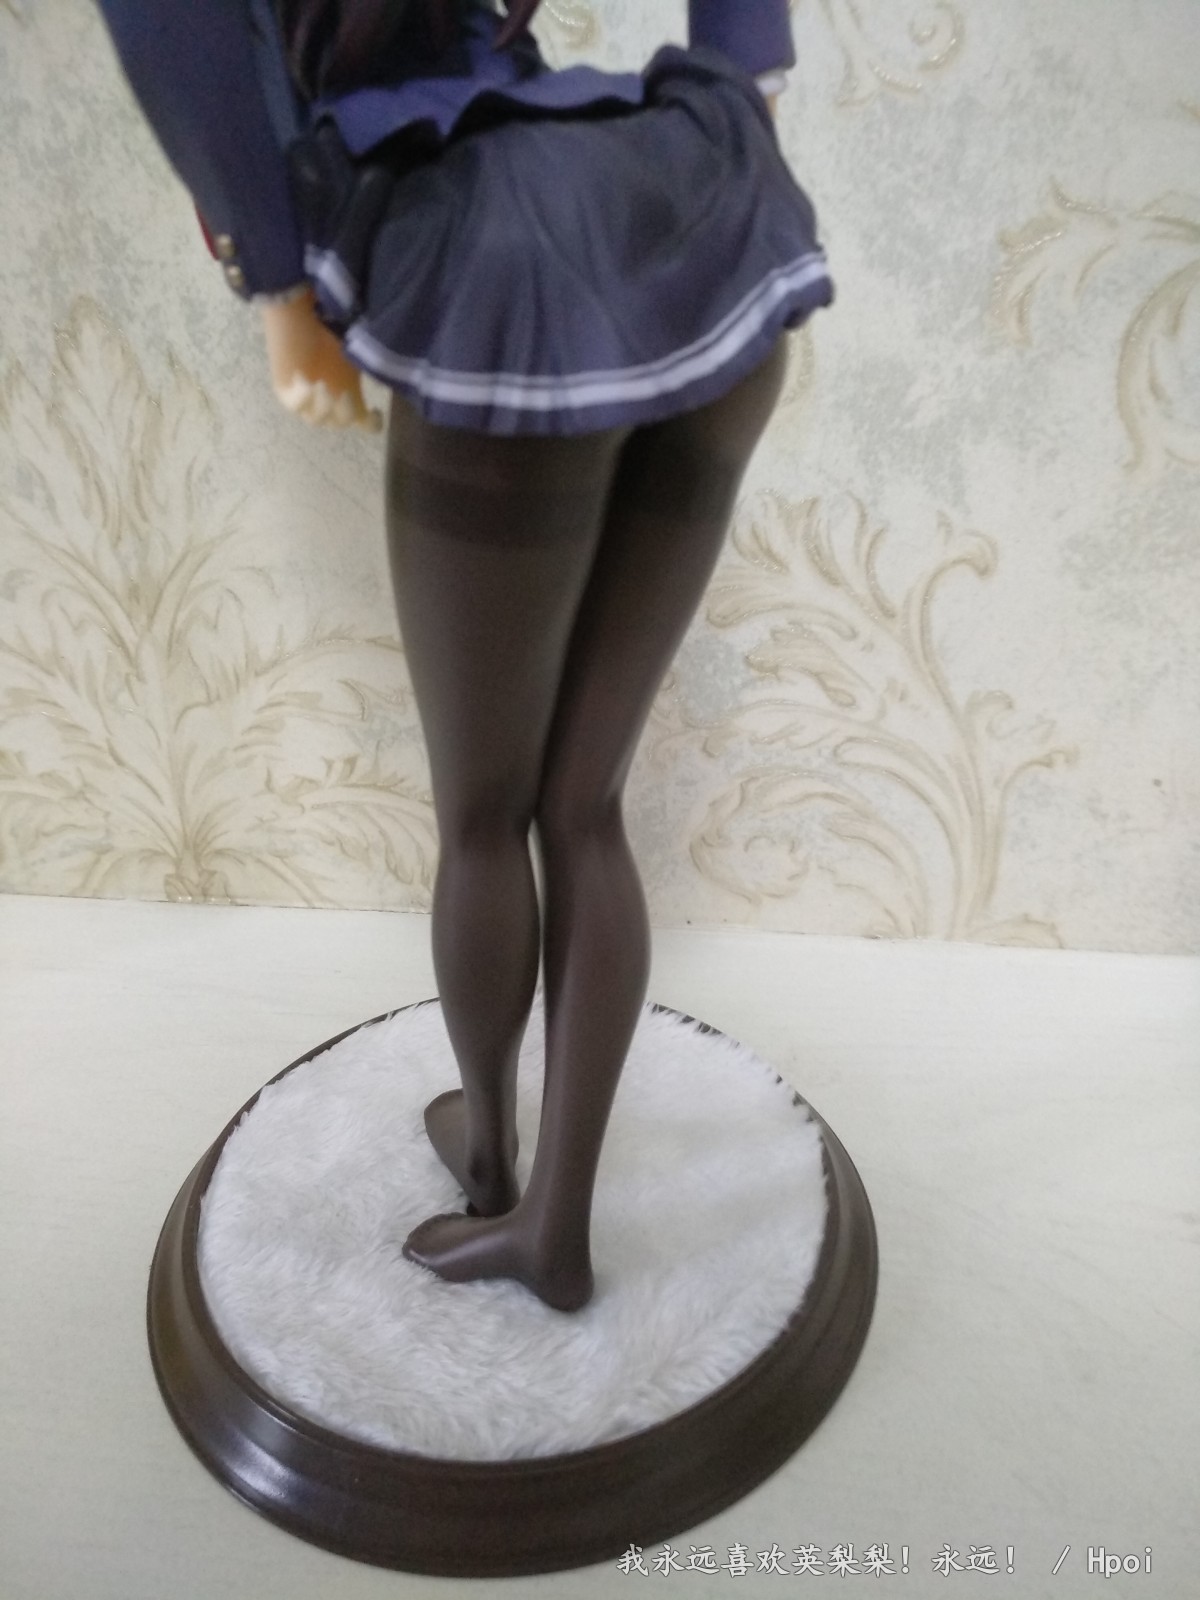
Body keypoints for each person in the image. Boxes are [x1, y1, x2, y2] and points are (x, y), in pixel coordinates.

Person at [95, 0, 834, 1312]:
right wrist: (746, 80)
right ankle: (552, 1218)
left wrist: (280, 287)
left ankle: (498, 1167)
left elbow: (178, 31)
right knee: (584, 802)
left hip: (497, 265)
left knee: (485, 817)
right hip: (700, 189)